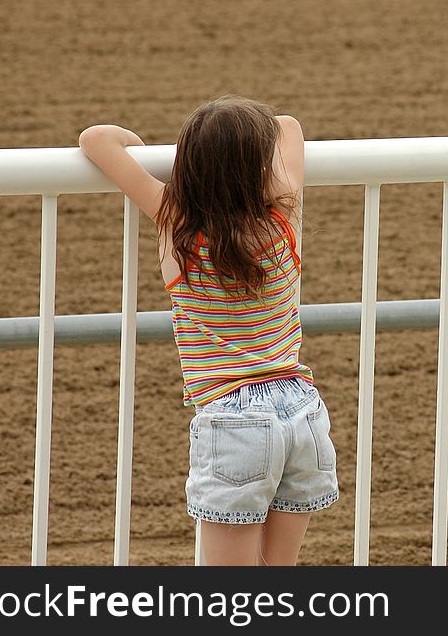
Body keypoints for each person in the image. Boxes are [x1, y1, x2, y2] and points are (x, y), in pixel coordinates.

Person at [78, 95, 338, 566]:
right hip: (303, 409)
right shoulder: (284, 220)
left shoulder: (177, 224)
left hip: (234, 417)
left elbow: (95, 139)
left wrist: (138, 147)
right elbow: (288, 125)